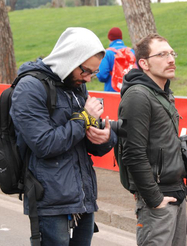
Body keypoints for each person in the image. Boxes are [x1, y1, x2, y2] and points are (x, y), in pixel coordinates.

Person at [10, 27, 117, 246]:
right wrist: (84, 118)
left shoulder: (76, 85)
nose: (87, 78)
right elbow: (44, 144)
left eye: (93, 73)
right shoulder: (30, 87)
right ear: (70, 59)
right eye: (85, 71)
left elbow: (85, 141)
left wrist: (105, 138)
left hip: (82, 196)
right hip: (50, 199)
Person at [118, 33, 187, 246]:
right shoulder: (138, 96)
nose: (171, 59)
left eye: (172, 53)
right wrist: (155, 200)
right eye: (162, 54)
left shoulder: (162, 93)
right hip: (158, 199)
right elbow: (133, 152)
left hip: (176, 192)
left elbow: (161, 146)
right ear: (144, 63)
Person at [96, 27, 135, 92]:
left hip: (112, 92)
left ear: (110, 38)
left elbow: (102, 76)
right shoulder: (131, 51)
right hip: (131, 91)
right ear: (121, 38)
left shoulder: (107, 53)